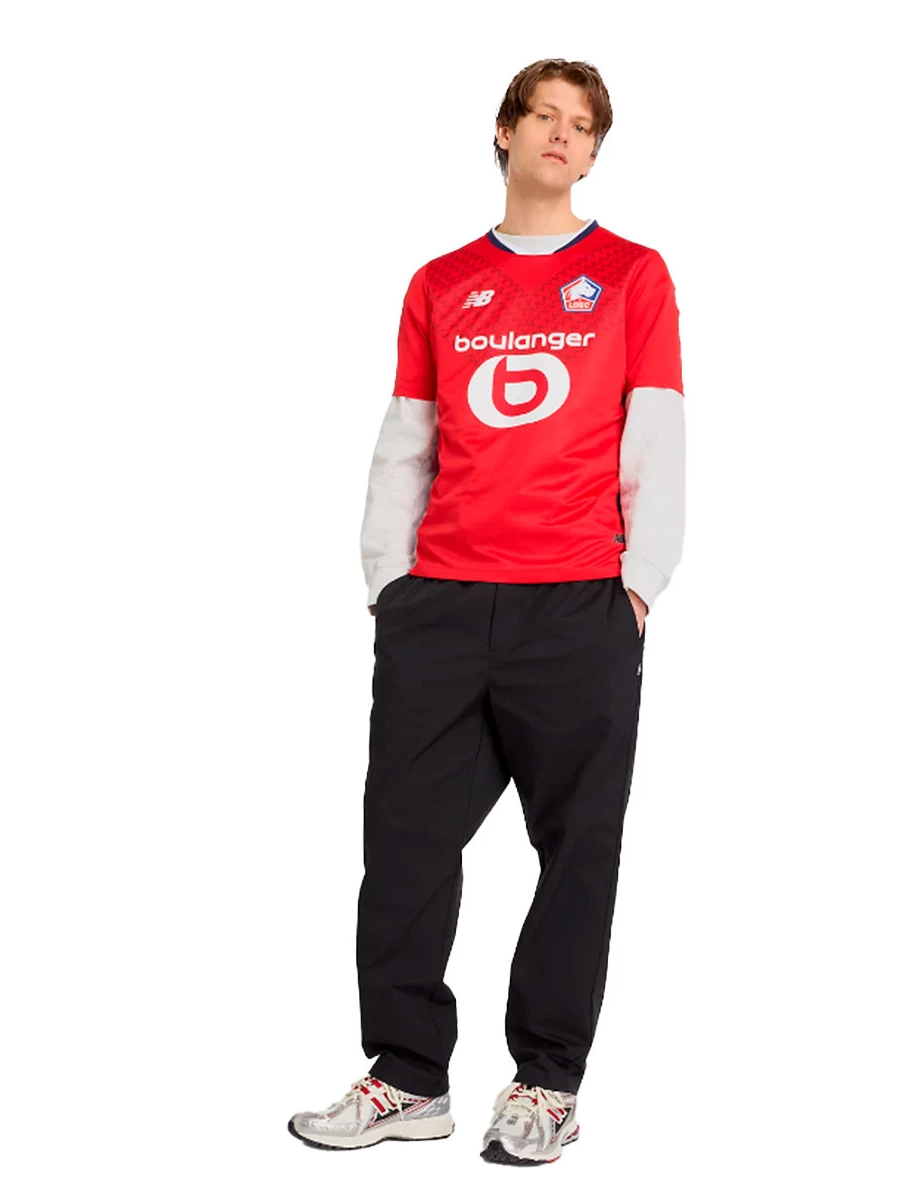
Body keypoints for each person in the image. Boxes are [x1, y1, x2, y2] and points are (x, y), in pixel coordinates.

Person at [288, 57, 684, 1166]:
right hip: (444, 606)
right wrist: (390, 582)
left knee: (577, 851)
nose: (563, 134)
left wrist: (639, 583)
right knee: (404, 842)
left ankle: (547, 1083)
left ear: (594, 152)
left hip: (577, 603)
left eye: (582, 125)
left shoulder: (631, 276)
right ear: (505, 132)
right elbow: (407, 438)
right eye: (544, 116)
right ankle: (408, 1076)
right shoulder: (441, 282)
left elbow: (655, 430)